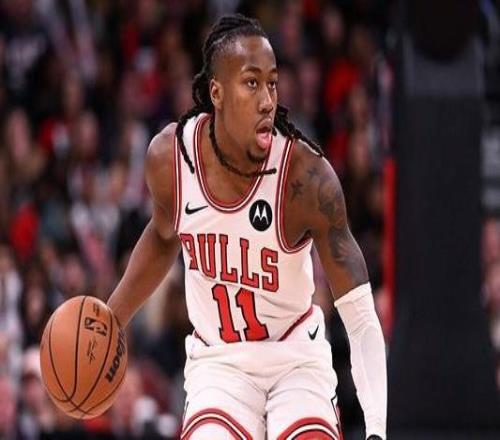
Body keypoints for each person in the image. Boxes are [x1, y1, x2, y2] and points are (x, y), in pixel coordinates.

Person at [108, 14, 387, 440]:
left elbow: (361, 317)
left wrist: (377, 430)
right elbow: (164, 235)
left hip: (295, 360)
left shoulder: (305, 178)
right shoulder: (171, 159)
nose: (267, 100)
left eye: (272, 83)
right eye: (251, 83)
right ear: (216, 92)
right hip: (219, 364)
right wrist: (113, 318)